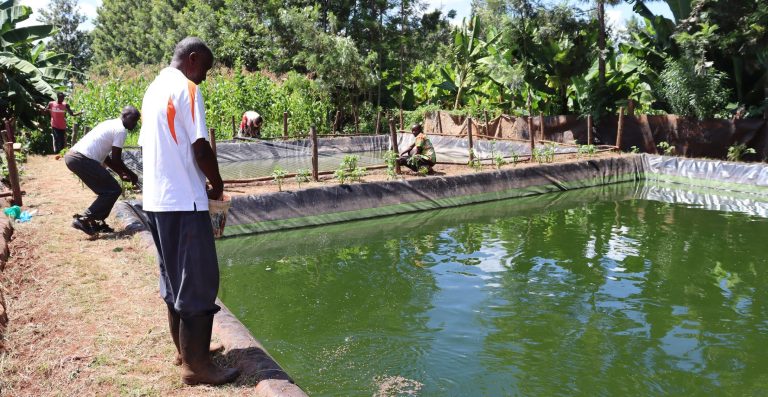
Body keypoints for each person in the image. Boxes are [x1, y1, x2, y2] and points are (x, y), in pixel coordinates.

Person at [138, 37, 239, 386]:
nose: (205, 79)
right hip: (184, 201)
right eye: (206, 70)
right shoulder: (187, 89)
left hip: (156, 202)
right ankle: (198, 369)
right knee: (198, 281)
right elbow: (200, 148)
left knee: (173, 281)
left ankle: (185, 352)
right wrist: (217, 183)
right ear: (193, 59)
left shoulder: (153, 89)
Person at [65, 106, 140, 235]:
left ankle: (96, 222)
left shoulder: (109, 123)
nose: (134, 123)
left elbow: (106, 158)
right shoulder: (121, 130)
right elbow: (116, 159)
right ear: (125, 116)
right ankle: (84, 219)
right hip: (81, 159)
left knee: (106, 190)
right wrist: (132, 175)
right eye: (133, 120)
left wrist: (120, 173)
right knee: (113, 190)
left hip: (73, 157)